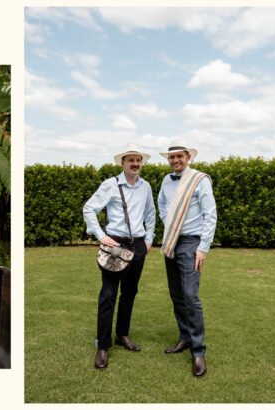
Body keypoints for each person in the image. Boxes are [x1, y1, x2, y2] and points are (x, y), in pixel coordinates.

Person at [82, 145, 156, 370]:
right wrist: (101, 235)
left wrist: (149, 238)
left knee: (130, 293)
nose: (136, 163)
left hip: (139, 246)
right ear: (122, 163)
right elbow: (89, 209)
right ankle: (102, 346)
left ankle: (122, 335)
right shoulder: (110, 185)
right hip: (115, 245)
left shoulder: (146, 187)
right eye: (131, 160)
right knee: (108, 294)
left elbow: (151, 214)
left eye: (139, 160)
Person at [157, 140, 216, 378]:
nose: (175, 160)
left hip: (192, 242)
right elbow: (161, 203)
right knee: (176, 294)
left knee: (191, 296)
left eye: (180, 156)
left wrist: (203, 248)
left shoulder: (199, 180)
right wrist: (168, 224)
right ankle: (184, 337)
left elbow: (210, 215)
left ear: (188, 157)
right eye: (172, 157)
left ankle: (198, 350)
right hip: (172, 240)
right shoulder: (165, 181)